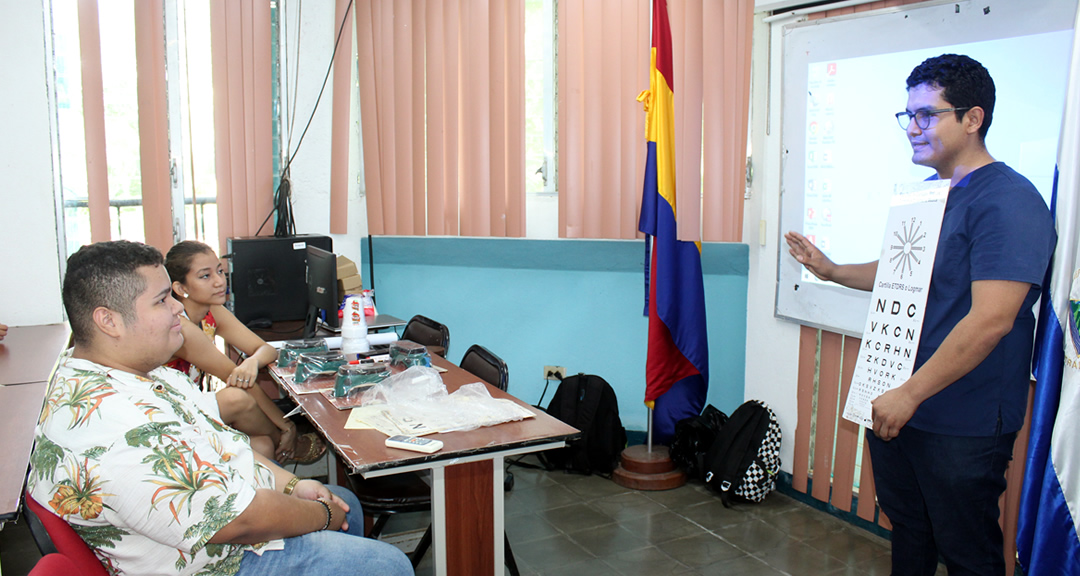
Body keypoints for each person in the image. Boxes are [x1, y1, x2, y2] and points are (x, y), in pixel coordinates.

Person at [786, 54, 1056, 575]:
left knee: (966, 553)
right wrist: (833, 270)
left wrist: (909, 394)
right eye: (907, 116)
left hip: (961, 420)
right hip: (897, 407)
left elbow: (992, 319)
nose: (912, 128)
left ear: (973, 119)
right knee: (910, 532)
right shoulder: (932, 196)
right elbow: (903, 275)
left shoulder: (1009, 201)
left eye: (926, 115)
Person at [27, 240, 412, 576]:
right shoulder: (112, 422)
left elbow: (221, 441)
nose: (179, 309)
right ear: (108, 321)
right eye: (162, 300)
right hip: (218, 562)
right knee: (386, 563)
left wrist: (293, 484)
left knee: (347, 504)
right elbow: (238, 520)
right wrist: (323, 516)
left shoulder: (140, 376)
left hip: (224, 525)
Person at [164, 240, 326, 464]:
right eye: (205, 276)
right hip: (170, 417)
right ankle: (292, 444)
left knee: (262, 445)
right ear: (181, 289)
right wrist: (287, 425)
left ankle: (272, 493)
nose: (220, 282)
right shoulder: (180, 327)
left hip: (195, 406)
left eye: (220, 271)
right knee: (236, 399)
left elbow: (265, 349)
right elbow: (238, 380)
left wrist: (252, 362)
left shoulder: (212, 311)